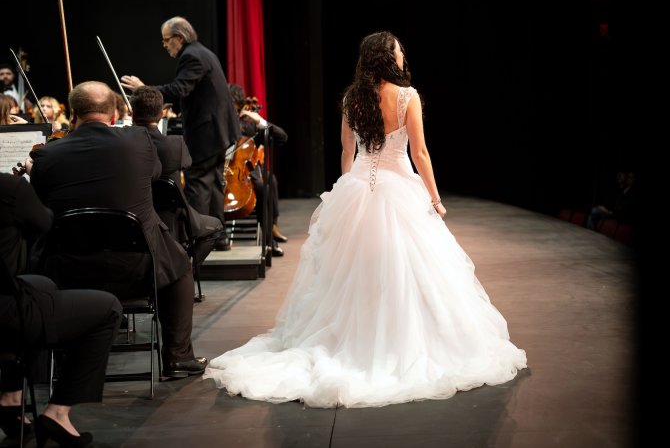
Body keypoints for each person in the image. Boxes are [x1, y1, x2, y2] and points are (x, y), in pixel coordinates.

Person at [204, 31, 527, 408]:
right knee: (405, 270)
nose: (404, 55)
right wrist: (436, 198)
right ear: (388, 58)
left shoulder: (352, 99)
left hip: (357, 186)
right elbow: (420, 153)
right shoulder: (407, 96)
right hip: (399, 188)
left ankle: (350, 339)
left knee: (352, 272)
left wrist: (345, 191)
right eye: (399, 51)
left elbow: (347, 151)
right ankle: (395, 341)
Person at [24, 80, 208, 378]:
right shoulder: (138, 141)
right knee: (180, 268)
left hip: (69, 274)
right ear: (113, 116)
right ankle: (177, 356)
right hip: (139, 271)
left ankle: (46, 365)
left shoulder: (46, 156)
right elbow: (157, 174)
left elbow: (42, 198)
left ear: (72, 115)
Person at [0, 172, 122, 447]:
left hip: (8, 296)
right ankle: (58, 412)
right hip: (6, 310)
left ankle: (10, 399)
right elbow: (43, 222)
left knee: (42, 284)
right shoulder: (8, 187)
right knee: (109, 308)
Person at [120, 16, 240, 252]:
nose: (165, 45)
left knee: (198, 186)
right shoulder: (202, 52)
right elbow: (193, 93)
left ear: (179, 38)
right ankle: (218, 237)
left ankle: (198, 241)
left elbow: (179, 89)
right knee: (214, 184)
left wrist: (144, 90)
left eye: (166, 40)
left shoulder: (191, 56)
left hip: (207, 133)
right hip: (219, 130)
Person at [130, 85, 223, 264]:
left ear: (132, 114)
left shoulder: (124, 146)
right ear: (162, 114)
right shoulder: (176, 144)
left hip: (136, 218)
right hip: (172, 219)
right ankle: (184, 268)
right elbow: (187, 164)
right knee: (215, 227)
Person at [227, 83, 289, 256]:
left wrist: (259, 121)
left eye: (232, 105)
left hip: (243, 172)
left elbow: (282, 137)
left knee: (265, 184)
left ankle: (269, 238)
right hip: (222, 169)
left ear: (239, 106)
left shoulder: (249, 124)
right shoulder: (221, 120)